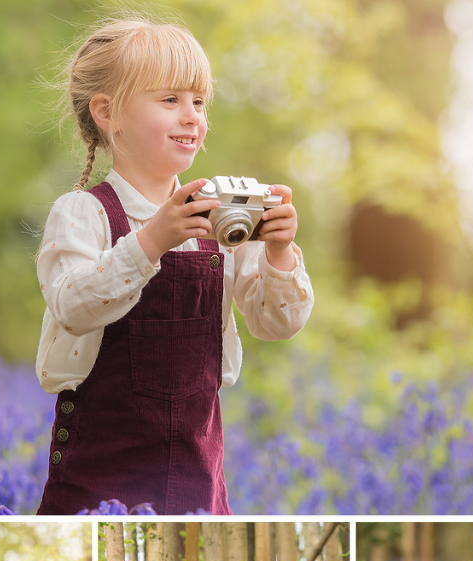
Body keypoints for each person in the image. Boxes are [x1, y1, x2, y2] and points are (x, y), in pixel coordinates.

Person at [35, 16, 314, 515]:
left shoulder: (222, 213)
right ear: (108, 113)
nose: (192, 117)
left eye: (199, 102)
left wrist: (278, 252)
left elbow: (277, 323)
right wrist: (150, 242)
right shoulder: (84, 213)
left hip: (197, 472)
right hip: (100, 470)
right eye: (170, 100)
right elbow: (72, 305)